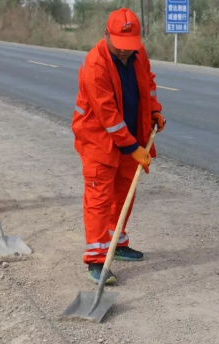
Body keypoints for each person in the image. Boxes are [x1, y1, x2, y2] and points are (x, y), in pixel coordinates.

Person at [71, 8, 166, 284]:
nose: (125, 52)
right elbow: (108, 116)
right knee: (99, 197)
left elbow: (148, 83)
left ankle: (117, 243)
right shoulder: (95, 64)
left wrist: (154, 111)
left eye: (130, 47)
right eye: (120, 47)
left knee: (125, 192)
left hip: (131, 134)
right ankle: (97, 260)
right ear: (106, 36)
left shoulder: (138, 53)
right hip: (97, 139)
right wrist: (133, 147)